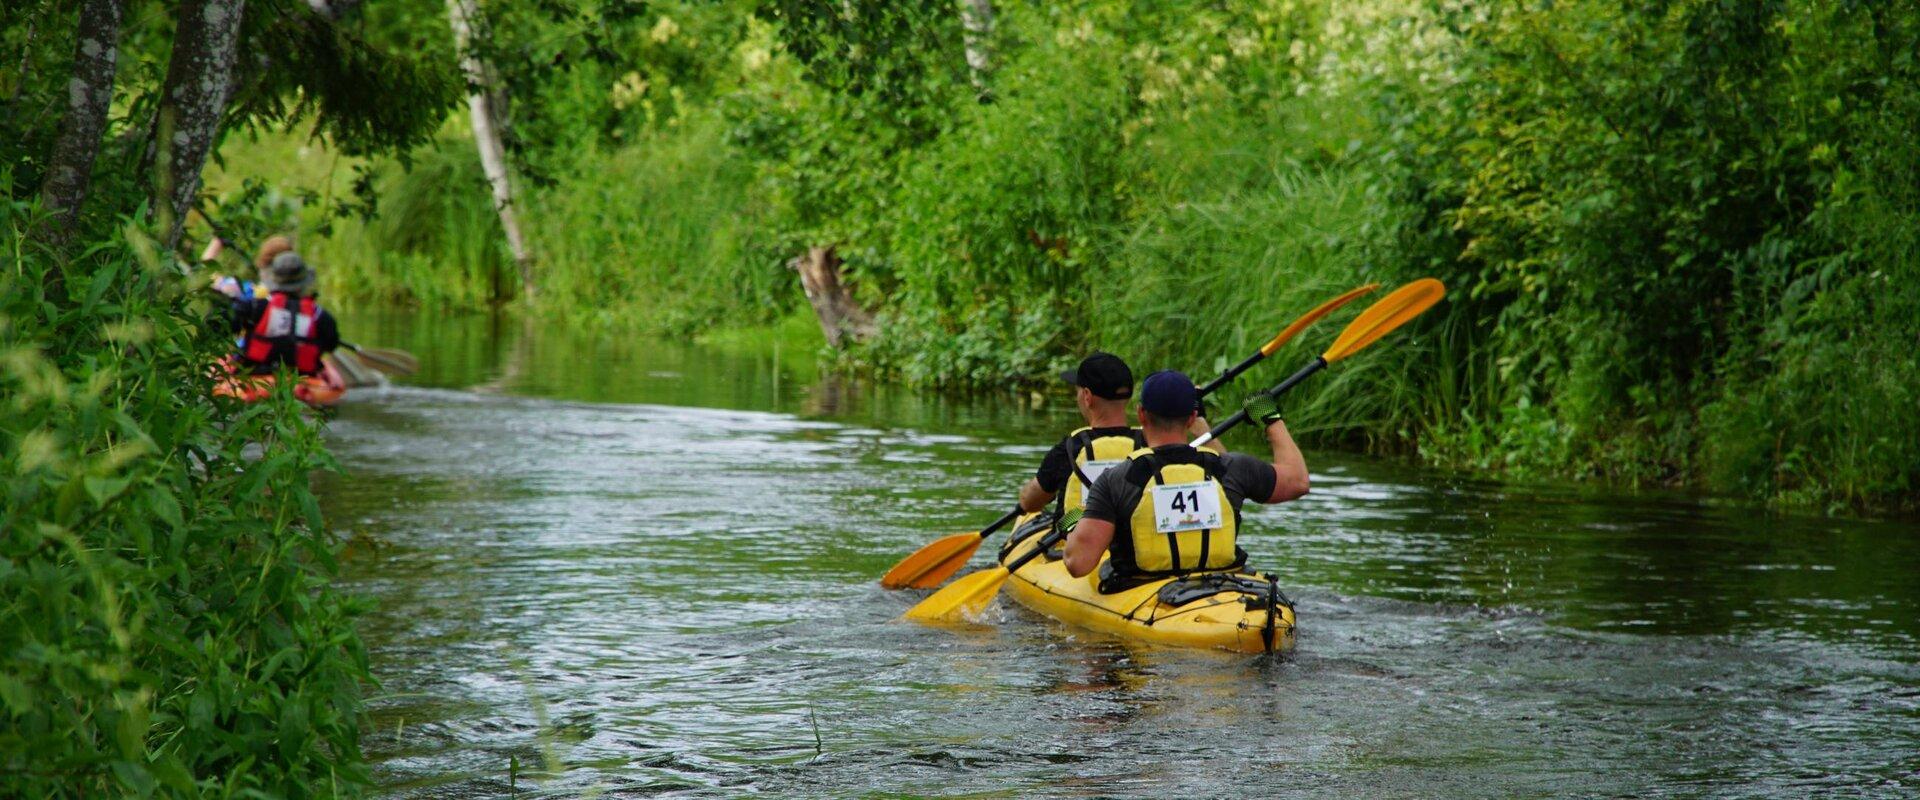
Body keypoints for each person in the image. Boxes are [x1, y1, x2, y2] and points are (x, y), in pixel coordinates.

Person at [1064, 370, 1309, 592]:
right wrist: (1271, 419)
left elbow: (1079, 563)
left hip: (1144, 594)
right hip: (1225, 590)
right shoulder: (1230, 468)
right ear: (1192, 418)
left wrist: (1074, 522)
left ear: (1141, 414)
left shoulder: (1116, 480)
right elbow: (1298, 481)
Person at [1016, 353, 1148, 520]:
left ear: (1087, 396)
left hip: (1078, 538)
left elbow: (1029, 504)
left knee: (1069, 518)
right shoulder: (1149, 444)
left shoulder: (1070, 448)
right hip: (1134, 540)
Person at [225, 250, 341, 377]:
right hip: (302, 379)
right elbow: (331, 345)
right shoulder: (322, 317)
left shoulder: (253, 307)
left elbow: (226, 328)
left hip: (255, 375)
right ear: (304, 283)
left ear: (274, 281)